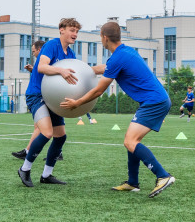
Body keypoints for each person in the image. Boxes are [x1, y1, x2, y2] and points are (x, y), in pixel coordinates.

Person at [61, 21, 175, 198]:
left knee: (130, 142)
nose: (101, 40)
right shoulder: (125, 52)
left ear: (105, 38)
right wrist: (81, 71)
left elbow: (99, 90)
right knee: (132, 140)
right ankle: (132, 182)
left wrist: (77, 103)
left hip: (154, 102)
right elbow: (103, 68)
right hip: (156, 100)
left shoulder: (118, 57)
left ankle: (163, 176)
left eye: (100, 37)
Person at [17, 19, 82, 187]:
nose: (75, 34)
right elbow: (42, 67)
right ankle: (25, 169)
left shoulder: (71, 55)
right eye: (72, 30)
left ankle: (46, 175)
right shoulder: (52, 46)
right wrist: (61, 70)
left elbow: (75, 76)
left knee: (60, 137)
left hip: (53, 99)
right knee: (46, 133)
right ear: (61, 30)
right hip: (37, 95)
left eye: (76, 31)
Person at [12, 40, 65, 161]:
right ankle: (31, 153)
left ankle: (28, 156)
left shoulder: (47, 60)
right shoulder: (42, 63)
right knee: (43, 128)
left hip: (43, 96)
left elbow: (48, 77)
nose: (33, 54)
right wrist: (33, 70)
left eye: (34, 51)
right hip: (45, 96)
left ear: (40, 50)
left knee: (43, 129)